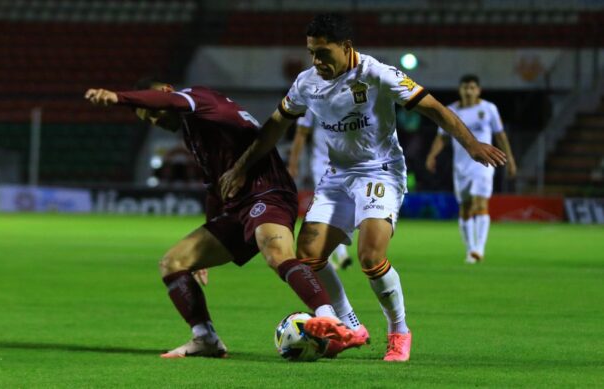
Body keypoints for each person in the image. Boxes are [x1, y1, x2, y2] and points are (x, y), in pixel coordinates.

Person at [219, 13, 507, 362]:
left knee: (370, 256)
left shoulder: (376, 74)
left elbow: (433, 108)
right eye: (311, 52)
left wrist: (472, 144)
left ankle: (399, 331)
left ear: (347, 48)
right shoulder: (306, 83)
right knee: (308, 255)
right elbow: (275, 127)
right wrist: (241, 167)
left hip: (380, 172)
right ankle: (350, 325)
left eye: (323, 53)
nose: (316, 61)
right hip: (337, 176)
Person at [84, 81, 366, 359]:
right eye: (149, 120)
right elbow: (214, 188)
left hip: (267, 192)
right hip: (236, 206)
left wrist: (118, 96)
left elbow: (169, 102)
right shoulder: (193, 132)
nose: (156, 120)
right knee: (173, 263)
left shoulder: (198, 98)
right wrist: (210, 231)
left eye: (155, 111)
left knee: (277, 253)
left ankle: (329, 320)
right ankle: (205, 338)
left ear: (167, 93)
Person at [426, 74, 517, 264]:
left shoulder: (489, 109)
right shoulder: (450, 111)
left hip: (484, 165)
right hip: (461, 167)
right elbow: (441, 137)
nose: (469, 91)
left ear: (478, 90)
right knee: (466, 208)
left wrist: (510, 160)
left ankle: (479, 249)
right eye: (465, 87)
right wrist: (432, 155)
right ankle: (470, 249)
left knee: (480, 204)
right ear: (460, 90)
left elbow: (500, 136)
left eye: (472, 88)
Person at [287, 109, 352, 270]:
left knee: (342, 207)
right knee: (329, 207)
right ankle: (339, 254)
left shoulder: (347, 100)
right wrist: (293, 164)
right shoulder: (312, 102)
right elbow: (301, 133)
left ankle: (334, 252)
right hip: (321, 164)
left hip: (344, 163)